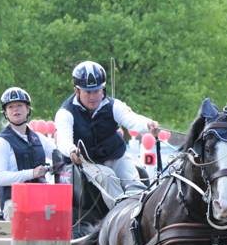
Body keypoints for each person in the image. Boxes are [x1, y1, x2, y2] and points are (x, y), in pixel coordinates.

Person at [54, 61, 158, 198]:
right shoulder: (65, 113)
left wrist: (147, 124)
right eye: (88, 92)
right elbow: (63, 139)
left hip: (116, 155)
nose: (93, 97)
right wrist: (71, 150)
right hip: (88, 162)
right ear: (77, 91)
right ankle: (120, 209)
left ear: (103, 89)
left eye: (97, 91)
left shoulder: (114, 106)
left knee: (133, 182)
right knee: (108, 177)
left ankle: (138, 208)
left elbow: (131, 119)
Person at [0, 87, 57, 208]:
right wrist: (32, 173)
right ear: (5, 113)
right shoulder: (2, 142)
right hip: (14, 204)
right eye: (10, 107)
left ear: (28, 109)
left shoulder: (39, 138)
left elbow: (59, 155)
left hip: (40, 201)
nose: (15, 109)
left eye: (19, 105)